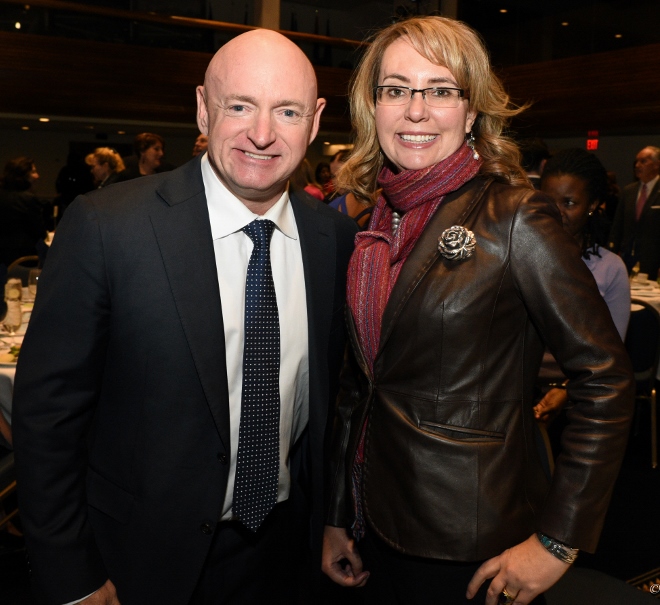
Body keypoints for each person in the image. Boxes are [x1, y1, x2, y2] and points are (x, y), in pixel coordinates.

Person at [13, 28, 357, 605]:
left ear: (317, 120)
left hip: (284, 556)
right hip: (136, 563)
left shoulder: (333, 240)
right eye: (240, 106)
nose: (263, 134)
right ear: (203, 108)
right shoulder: (107, 227)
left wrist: (327, 519)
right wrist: (71, 575)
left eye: (288, 111)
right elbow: (47, 419)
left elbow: (326, 407)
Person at [321, 16, 633, 605]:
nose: (416, 110)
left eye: (440, 90)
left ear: (471, 112)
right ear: (373, 107)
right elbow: (358, 386)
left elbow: (606, 380)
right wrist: (338, 513)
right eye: (396, 89)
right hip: (373, 527)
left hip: (471, 545)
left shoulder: (516, 217)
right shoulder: (373, 225)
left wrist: (557, 540)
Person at [534, 148, 630, 423]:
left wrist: (566, 390)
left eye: (569, 202)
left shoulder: (609, 268)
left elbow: (611, 355)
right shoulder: (522, 255)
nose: (557, 211)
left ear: (592, 204)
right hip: (517, 387)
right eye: (549, 200)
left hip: (582, 394)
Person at [609, 146, 660, 278]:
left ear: (656, 165)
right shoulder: (628, 191)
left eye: (643, 161)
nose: (637, 165)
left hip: (653, 261)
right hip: (627, 257)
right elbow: (617, 226)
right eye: (636, 162)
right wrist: (611, 254)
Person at [0, 156, 48, 267]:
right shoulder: (28, 199)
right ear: (22, 175)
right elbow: (39, 232)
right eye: (33, 172)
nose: (37, 176)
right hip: (23, 258)